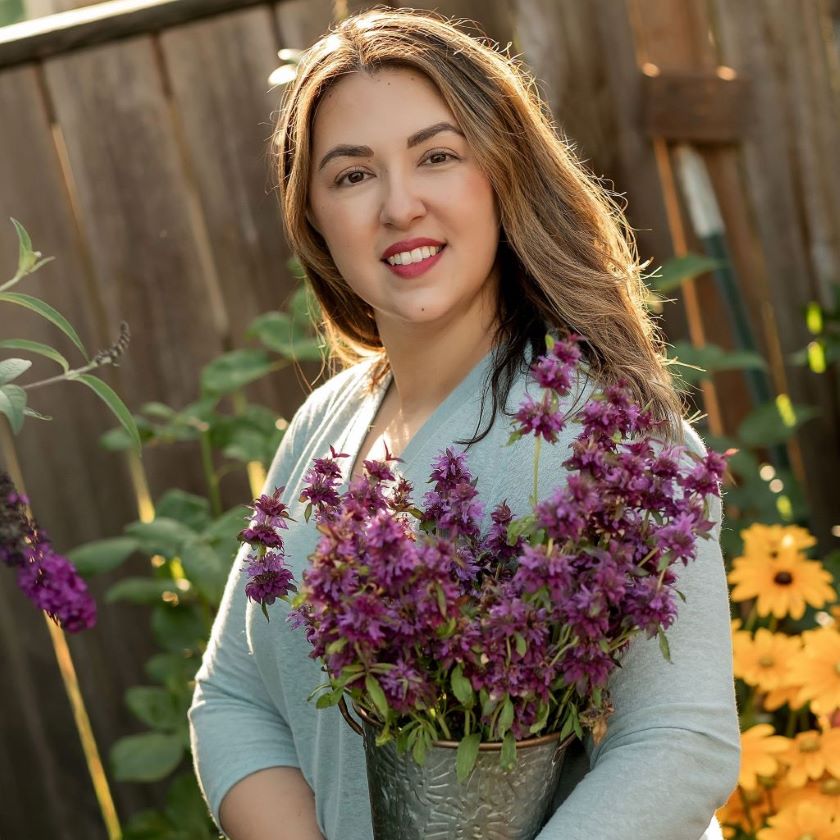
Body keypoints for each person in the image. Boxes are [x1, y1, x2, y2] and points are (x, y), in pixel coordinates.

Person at [188, 8, 740, 839]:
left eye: (437, 157)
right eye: (351, 175)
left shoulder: (613, 441)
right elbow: (231, 698)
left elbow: (679, 742)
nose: (399, 205)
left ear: (502, 172)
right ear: (314, 219)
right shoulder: (323, 427)